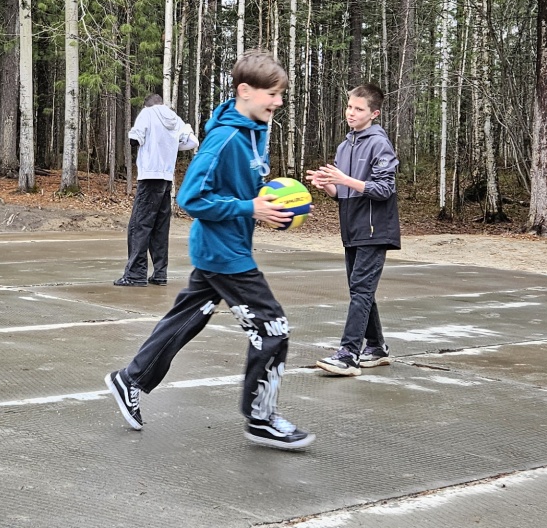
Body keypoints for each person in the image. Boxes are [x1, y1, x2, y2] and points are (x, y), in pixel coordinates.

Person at [103, 51, 314, 451]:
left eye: (280, 94)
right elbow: (190, 197)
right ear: (245, 92)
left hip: (226, 245)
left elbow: (240, 189)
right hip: (224, 253)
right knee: (272, 328)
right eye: (272, 94)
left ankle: (130, 378)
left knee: (187, 319)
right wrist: (248, 207)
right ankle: (261, 418)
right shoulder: (225, 138)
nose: (278, 102)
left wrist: (264, 208)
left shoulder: (256, 128)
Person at [305, 83, 399, 376]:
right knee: (361, 290)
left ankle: (348, 355)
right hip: (352, 229)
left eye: (359, 109)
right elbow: (344, 193)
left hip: (375, 229)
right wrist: (328, 186)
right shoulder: (345, 146)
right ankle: (377, 347)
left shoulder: (379, 143)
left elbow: (384, 189)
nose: (351, 113)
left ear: (374, 113)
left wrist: (344, 179)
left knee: (360, 290)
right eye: (349, 107)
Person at [115, 93, 199, 286]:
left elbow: (135, 139)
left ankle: (136, 275)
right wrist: (171, 146)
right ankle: (160, 274)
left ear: (147, 105)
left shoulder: (147, 113)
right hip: (166, 179)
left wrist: (143, 141)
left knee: (139, 226)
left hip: (149, 177)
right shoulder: (175, 119)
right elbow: (193, 142)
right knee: (160, 228)